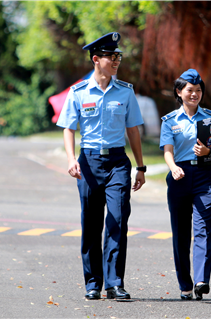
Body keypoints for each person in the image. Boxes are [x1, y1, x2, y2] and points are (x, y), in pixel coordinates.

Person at [57, 32, 146, 300]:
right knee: (92, 223)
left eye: (118, 55)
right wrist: (71, 159)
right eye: (111, 56)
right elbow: (68, 128)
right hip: (89, 162)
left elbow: (133, 130)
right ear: (96, 59)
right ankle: (93, 283)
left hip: (118, 162)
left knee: (118, 219)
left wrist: (140, 167)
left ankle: (114, 282)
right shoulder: (78, 92)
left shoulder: (126, 93)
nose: (116, 60)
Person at [159, 69, 211, 301]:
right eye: (190, 90)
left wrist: (209, 152)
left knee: (204, 229)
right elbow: (168, 152)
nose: (195, 94)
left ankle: (201, 280)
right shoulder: (170, 121)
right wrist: (173, 168)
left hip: (204, 177)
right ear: (179, 92)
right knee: (181, 233)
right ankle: (185, 284)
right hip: (179, 176)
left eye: (198, 90)